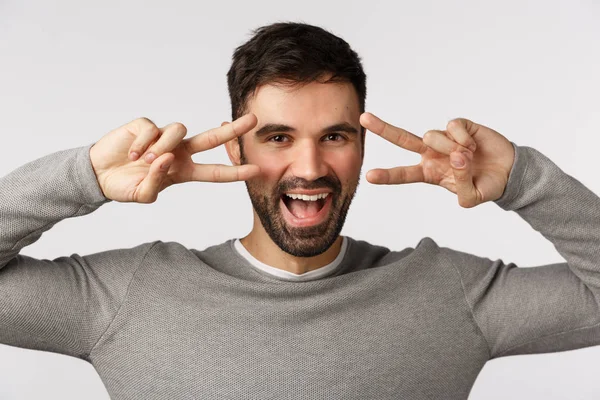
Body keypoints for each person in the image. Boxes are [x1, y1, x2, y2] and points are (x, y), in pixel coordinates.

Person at [0, 21, 598, 400]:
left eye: (335, 137)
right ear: (236, 147)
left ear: (361, 148)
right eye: (279, 138)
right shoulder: (129, 294)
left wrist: (524, 180)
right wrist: (84, 179)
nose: (310, 168)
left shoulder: (447, 292)